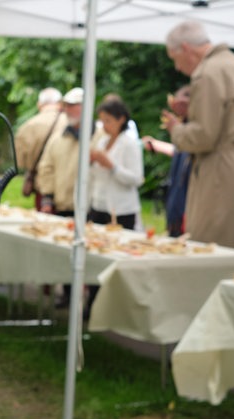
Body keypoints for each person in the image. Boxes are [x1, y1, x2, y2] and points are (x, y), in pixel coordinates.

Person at [162, 20, 234, 273]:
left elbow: (204, 136)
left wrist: (176, 130)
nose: (178, 67)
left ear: (187, 48)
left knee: (215, 247)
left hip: (221, 173)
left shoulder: (208, 72)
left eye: (175, 58)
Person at [85, 96, 143, 319]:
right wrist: (94, 162)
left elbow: (136, 178)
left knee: (116, 257)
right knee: (95, 256)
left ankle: (115, 309)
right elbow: (94, 176)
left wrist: (111, 166)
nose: (104, 126)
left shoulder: (129, 143)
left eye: (108, 121)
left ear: (121, 120)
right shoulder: (101, 142)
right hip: (99, 204)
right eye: (102, 121)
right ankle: (94, 304)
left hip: (121, 209)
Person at [36, 87, 88, 309]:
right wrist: (47, 198)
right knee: (65, 256)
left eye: (73, 105)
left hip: (89, 207)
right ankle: (67, 294)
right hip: (63, 204)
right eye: (67, 105)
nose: (69, 110)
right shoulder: (60, 137)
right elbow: (46, 169)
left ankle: (91, 302)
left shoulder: (97, 135)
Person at [142, 85, 192, 237]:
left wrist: (176, 129)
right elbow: (179, 151)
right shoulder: (186, 130)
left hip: (188, 210)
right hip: (176, 206)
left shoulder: (196, 131)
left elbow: (189, 149)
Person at [14, 87, 67, 209]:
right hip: (67, 187)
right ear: (60, 103)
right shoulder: (70, 123)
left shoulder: (27, 126)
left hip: (41, 187)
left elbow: (20, 162)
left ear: (39, 104)